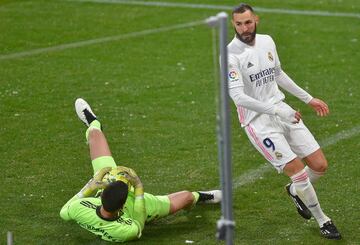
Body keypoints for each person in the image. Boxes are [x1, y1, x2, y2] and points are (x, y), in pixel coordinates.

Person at [227, 3, 341, 240]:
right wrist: (278, 112)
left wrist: (308, 99)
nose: (244, 28)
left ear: (256, 20)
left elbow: (277, 73)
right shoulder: (230, 55)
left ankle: (294, 192)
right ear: (233, 24)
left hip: (282, 110)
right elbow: (238, 97)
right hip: (258, 122)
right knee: (298, 172)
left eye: (248, 22)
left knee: (319, 166)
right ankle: (323, 220)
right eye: (239, 24)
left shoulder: (267, 41)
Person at [59, 98, 222, 242]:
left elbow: (64, 212)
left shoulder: (80, 208)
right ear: (122, 207)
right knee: (186, 196)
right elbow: (139, 221)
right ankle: (200, 197)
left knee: (95, 135)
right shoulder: (126, 231)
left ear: (100, 197)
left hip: (108, 194)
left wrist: (91, 186)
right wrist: (137, 187)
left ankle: (94, 123)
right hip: (139, 206)